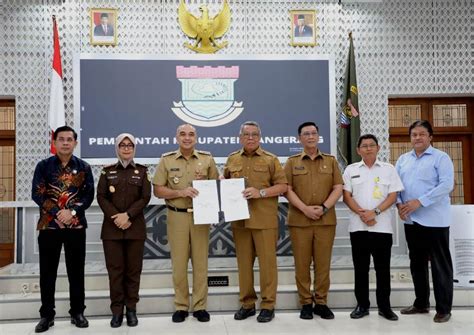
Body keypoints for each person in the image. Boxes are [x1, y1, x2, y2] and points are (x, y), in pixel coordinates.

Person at [153, 124, 219, 323]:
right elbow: (158, 190)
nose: (187, 138)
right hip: (177, 216)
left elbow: (216, 186)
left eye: (191, 134)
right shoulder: (166, 160)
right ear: (177, 137)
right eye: (183, 134)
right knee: (179, 265)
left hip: (201, 216)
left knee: (201, 264)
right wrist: (179, 193)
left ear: (196, 138)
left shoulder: (207, 159)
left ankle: (200, 307)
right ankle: (181, 306)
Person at [31, 125, 94, 333]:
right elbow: (37, 194)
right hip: (49, 226)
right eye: (61, 139)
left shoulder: (84, 167)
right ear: (54, 142)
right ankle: (47, 315)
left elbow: (88, 196)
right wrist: (59, 212)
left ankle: (77, 312)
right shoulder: (43, 166)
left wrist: (72, 213)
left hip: (76, 227)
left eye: (69, 139)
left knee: (76, 272)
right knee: (47, 273)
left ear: (75, 143)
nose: (65, 142)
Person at [223, 121, 287, 323]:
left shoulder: (271, 159)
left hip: (264, 220)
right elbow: (224, 183)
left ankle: (268, 305)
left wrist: (260, 192)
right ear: (240, 137)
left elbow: (283, 186)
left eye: (254, 134)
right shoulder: (232, 159)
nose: (250, 138)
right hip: (240, 221)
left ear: (260, 137)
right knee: (244, 265)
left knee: (267, 265)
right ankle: (247, 304)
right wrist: (222, 184)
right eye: (246, 134)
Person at [395, 120, 454, 323]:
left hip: (435, 220)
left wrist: (419, 202)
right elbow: (396, 186)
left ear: (430, 137)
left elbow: (447, 185)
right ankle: (421, 303)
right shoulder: (403, 159)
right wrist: (400, 205)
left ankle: (444, 308)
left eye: (422, 134)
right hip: (411, 221)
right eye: (414, 134)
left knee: (440, 265)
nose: (417, 138)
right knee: (416, 264)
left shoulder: (441, 158)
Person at [283, 122, 343, 320]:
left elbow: (338, 187)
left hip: (325, 221)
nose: (310, 136)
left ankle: (322, 302)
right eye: (306, 134)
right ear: (299, 138)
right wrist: (305, 209)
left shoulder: (331, 161)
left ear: (318, 136)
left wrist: (324, 207)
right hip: (300, 220)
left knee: (323, 264)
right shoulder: (292, 162)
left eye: (314, 133)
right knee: (301, 264)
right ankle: (306, 303)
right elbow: (287, 189)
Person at [342, 134, 404, 321]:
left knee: (382, 270)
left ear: (378, 148)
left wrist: (374, 213)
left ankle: (385, 307)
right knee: (360, 269)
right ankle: (362, 306)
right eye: (364, 146)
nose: (368, 148)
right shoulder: (351, 170)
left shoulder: (389, 169)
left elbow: (393, 196)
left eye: (372, 145)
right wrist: (363, 214)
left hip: (382, 228)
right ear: (358, 150)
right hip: (358, 227)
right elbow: (346, 196)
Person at [97, 133, 151, 328]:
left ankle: (131, 310)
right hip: (112, 230)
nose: (126, 148)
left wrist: (127, 216)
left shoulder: (143, 172)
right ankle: (117, 311)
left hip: (135, 228)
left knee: (133, 271)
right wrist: (117, 218)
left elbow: (145, 197)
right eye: (122, 145)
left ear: (134, 148)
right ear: (117, 148)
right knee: (116, 272)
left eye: (130, 145)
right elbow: (101, 197)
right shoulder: (107, 172)